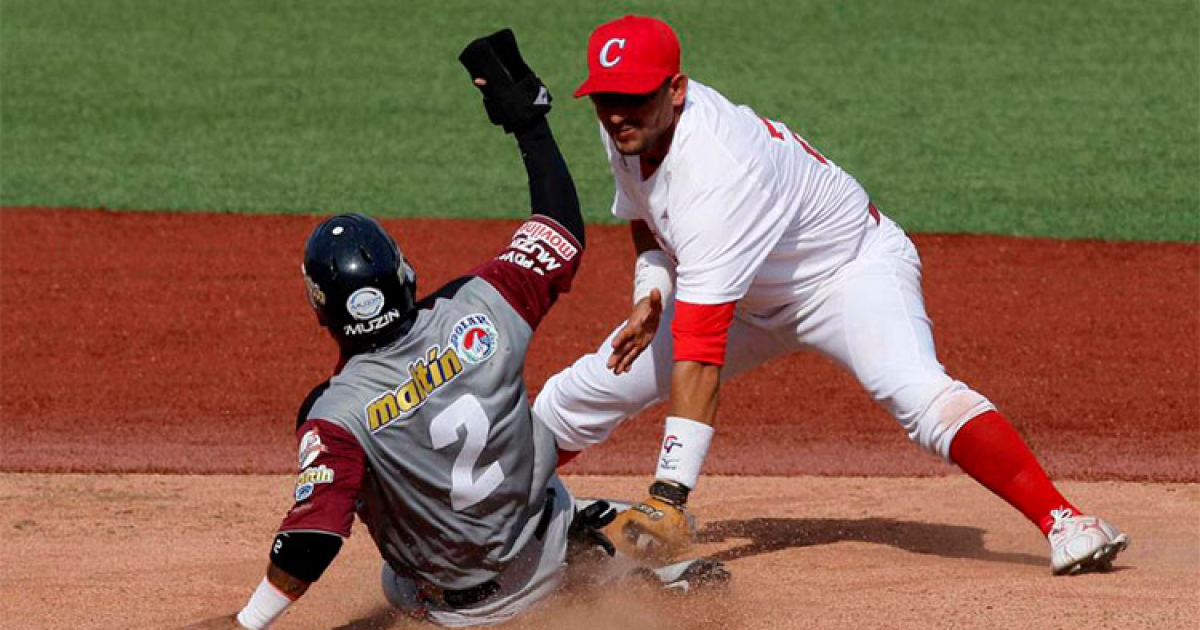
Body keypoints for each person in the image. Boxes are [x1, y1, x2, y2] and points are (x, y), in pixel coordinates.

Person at [532, 15, 1128, 576]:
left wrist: (669, 495)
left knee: (918, 394)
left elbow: (700, 347)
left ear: (677, 90)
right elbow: (647, 215)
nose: (616, 114)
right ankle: (487, 520)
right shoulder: (631, 127)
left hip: (847, 275)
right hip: (745, 288)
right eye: (607, 98)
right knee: (578, 393)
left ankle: (1067, 521)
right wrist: (651, 293)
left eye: (633, 97)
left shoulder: (720, 168)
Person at [187, 29, 726, 630]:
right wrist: (531, 125)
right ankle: (606, 562)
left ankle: (570, 573)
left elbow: (314, 535)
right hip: (539, 546)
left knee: (394, 579)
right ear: (405, 274)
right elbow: (560, 229)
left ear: (321, 309)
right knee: (555, 483)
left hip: (466, 609)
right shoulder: (484, 308)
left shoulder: (333, 414)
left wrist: (246, 623)